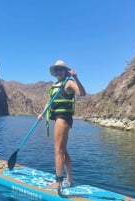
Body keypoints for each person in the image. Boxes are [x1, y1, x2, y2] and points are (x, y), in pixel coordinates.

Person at [38, 60, 86, 189]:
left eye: (61, 69)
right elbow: (50, 102)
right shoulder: (55, 85)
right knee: (63, 151)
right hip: (59, 118)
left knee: (58, 151)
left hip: (63, 118)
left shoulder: (69, 82)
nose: (59, 71)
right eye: (57, 69)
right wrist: (42, 113)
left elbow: (82, 93)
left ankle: (58, 183)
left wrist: (76, 78)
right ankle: (69, 179)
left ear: (65, 71)